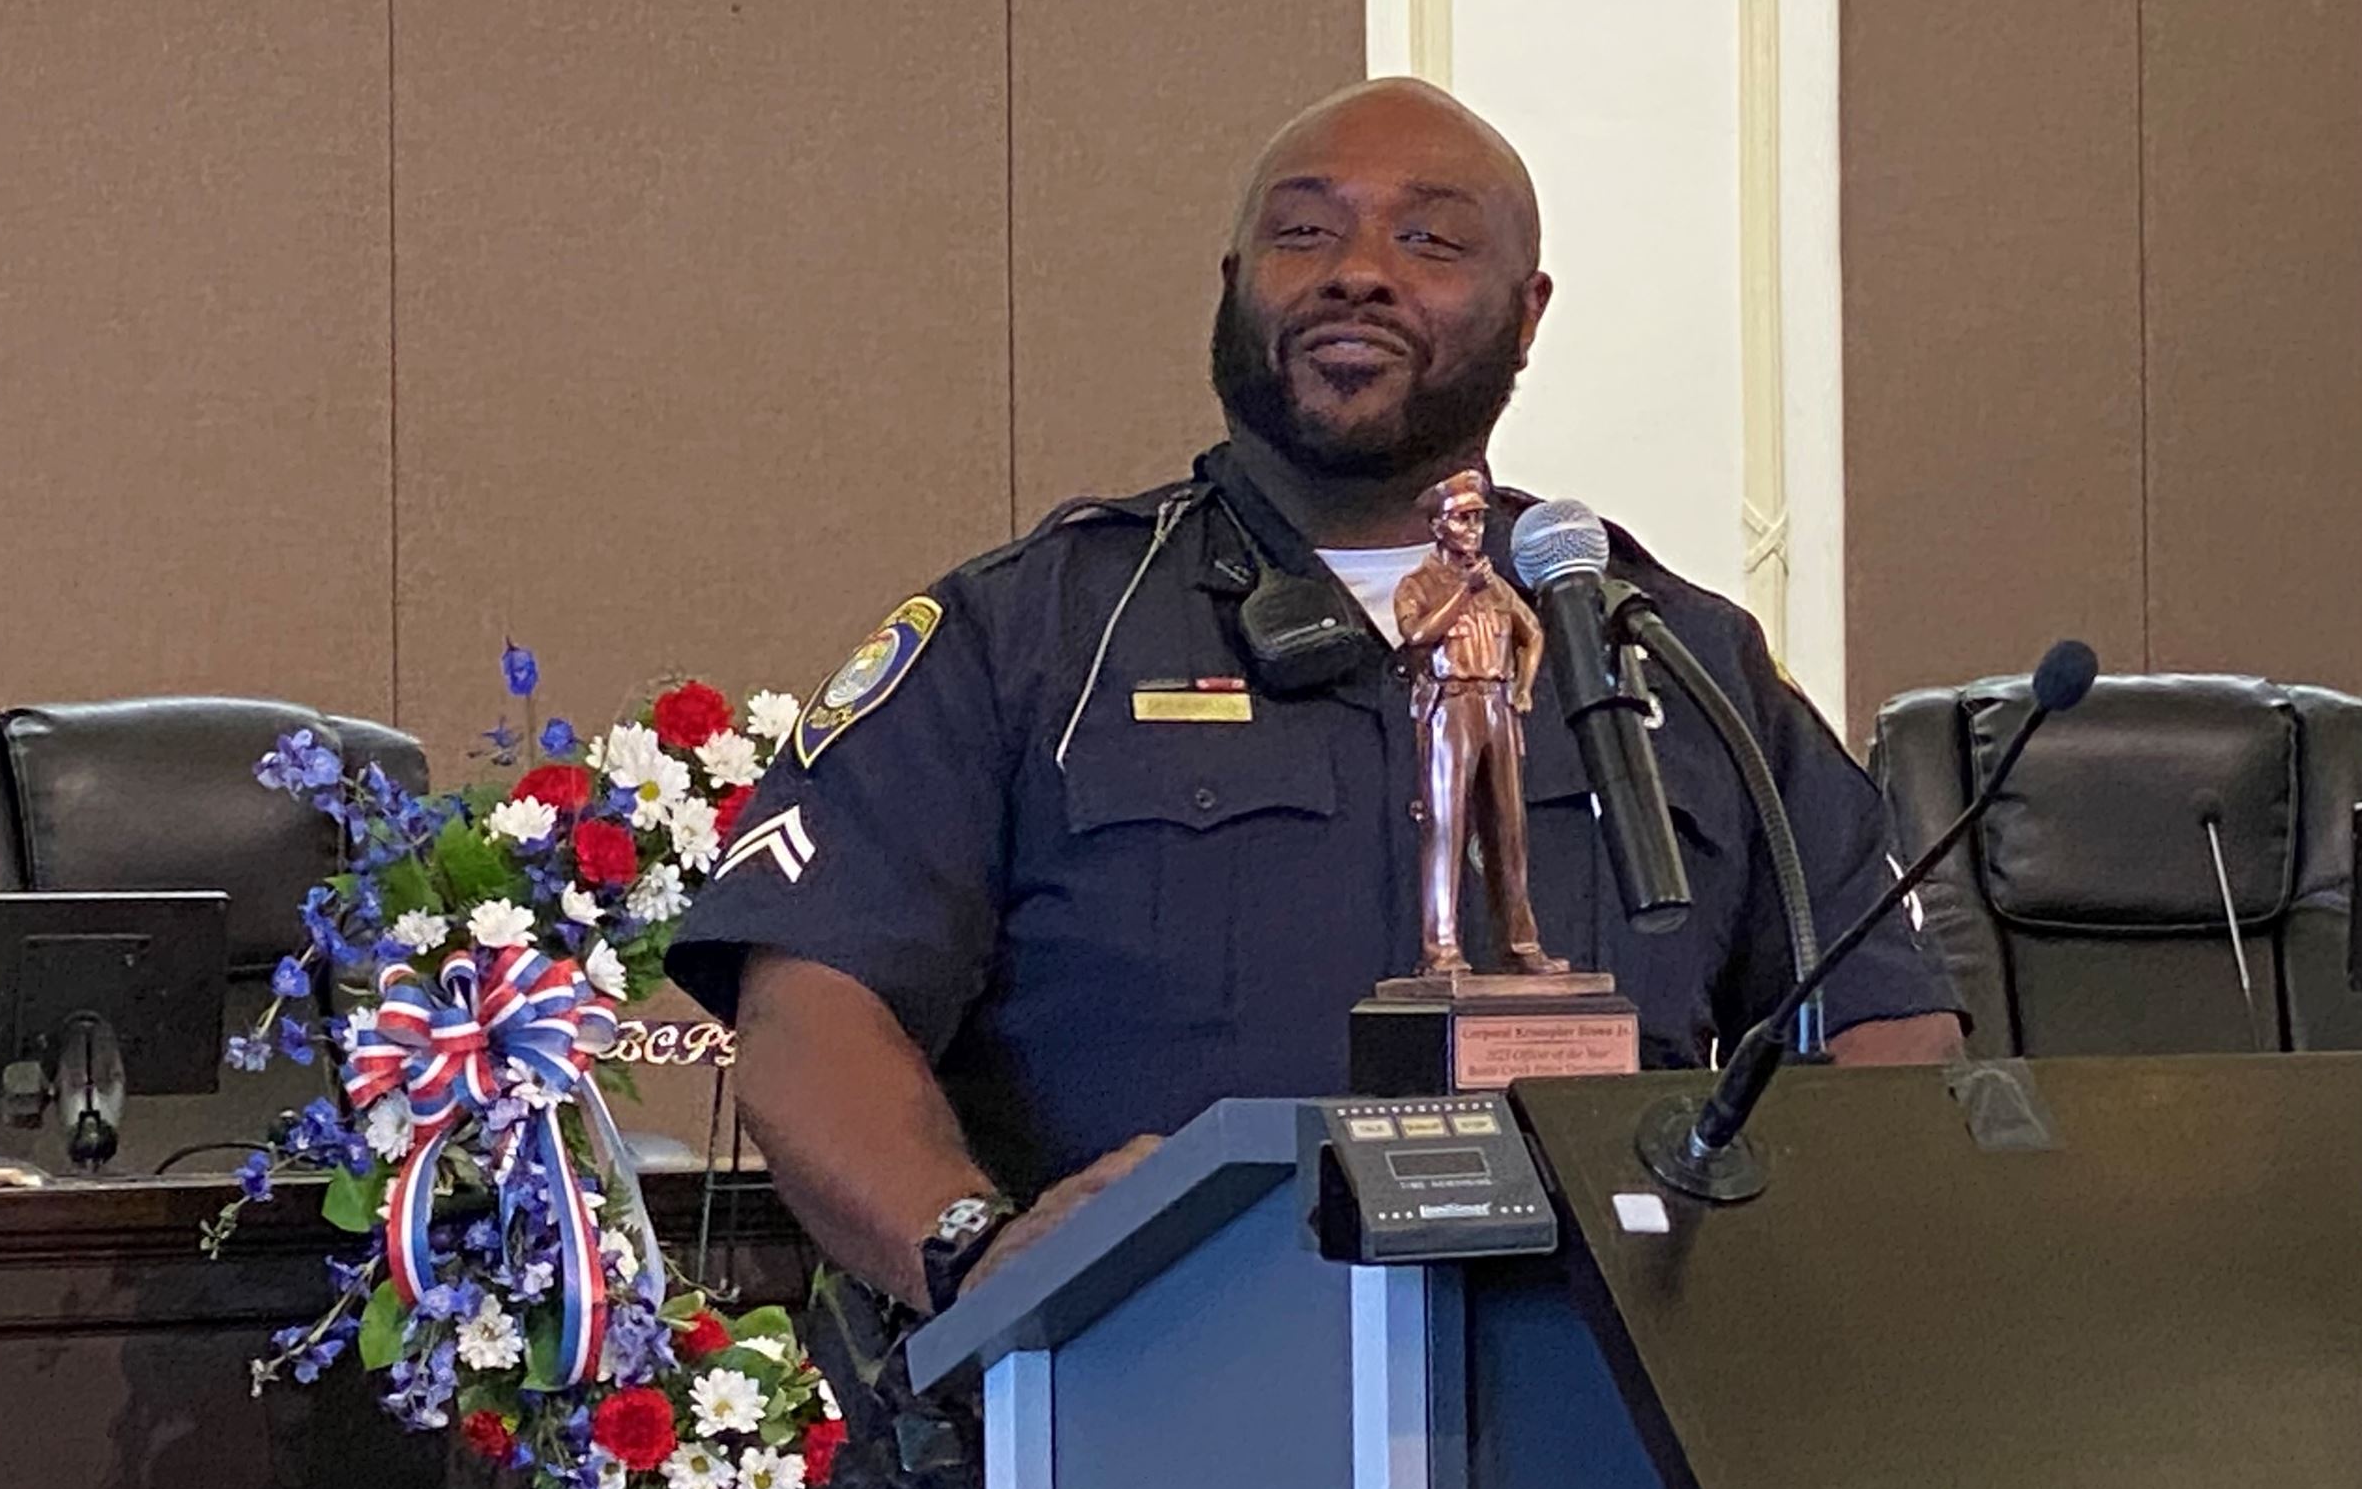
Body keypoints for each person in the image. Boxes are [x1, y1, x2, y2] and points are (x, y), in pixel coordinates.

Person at [668, 78, 1963, 1316]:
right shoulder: (1032, 634)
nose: (1359, 268)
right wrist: (978, 1252)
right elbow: (810, 1003)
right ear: (1235, 291)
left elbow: (1883, 1030)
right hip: (1149, 1416)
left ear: (1528, 310)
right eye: (1304, 233)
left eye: (1431, 239)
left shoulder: (1676, 657)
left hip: (1612, 1430)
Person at [1393, 468, 1564, 977]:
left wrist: (1525, 686)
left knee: (1509, 829)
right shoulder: (1419, 584)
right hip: (1451, 706)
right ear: (1438, 526)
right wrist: (1463, 593)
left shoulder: (1496, 586)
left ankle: (1519, 944)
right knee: (1447, 826)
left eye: (1478, 519)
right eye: (1463, 519)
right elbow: (1418, 635)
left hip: (1498, 704)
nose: (1474, 529)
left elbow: (1531, 632)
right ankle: (1441, 948)